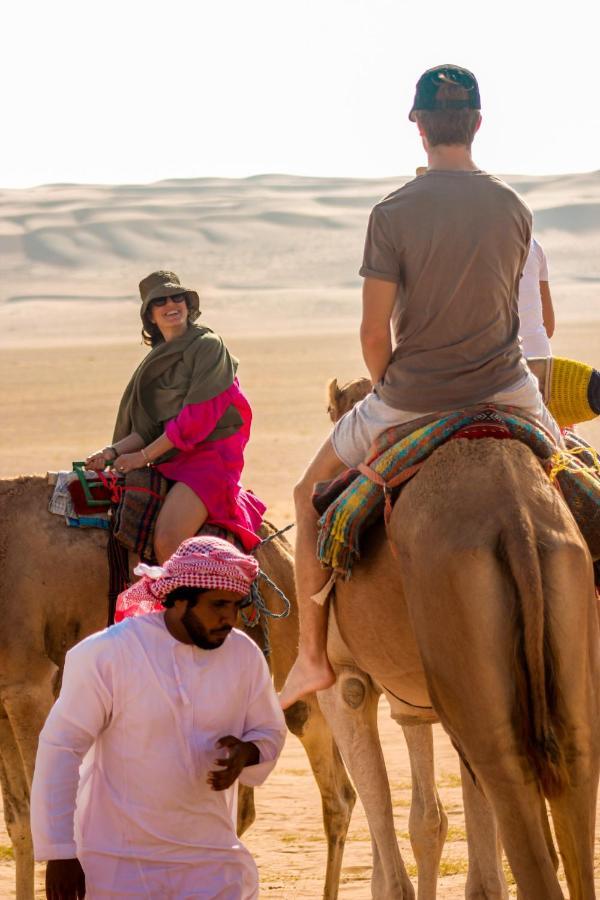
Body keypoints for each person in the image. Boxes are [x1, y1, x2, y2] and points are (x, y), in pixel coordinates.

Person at [279, 64, 562, 710]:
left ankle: (314, 657)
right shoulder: (515, 210)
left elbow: (374, 334)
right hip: (510, 391)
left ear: (419, 128)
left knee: (305, 494)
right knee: (575, 475)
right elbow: (528, 322)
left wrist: (389, 392)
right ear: (478, 125)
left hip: (414, 397)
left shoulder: (394, 214)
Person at [31, 536, 286, 900]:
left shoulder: (243, 655)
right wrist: (59, 852)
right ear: (179, 599)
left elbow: (270, 731)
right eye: (218, 606)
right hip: (116, 864)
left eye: (235, 606)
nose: (230, 618)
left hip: (210, 861)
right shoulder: (108, 654)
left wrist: (250, 752)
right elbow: (61, 748)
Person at [85, 270, 265, 562]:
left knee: (169, 541)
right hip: (170, 454)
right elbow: (148, 429)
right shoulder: (155, 362)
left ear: (187, 304)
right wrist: (110, 453)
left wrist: (142, 457)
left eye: (177, 297)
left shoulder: (208, 346)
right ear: (150, 317)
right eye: (160, 301)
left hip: (211, 457)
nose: (171, 304)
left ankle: (201, 607)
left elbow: (196, 420)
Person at [518, 237, 555, 357]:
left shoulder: (481, 245)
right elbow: (548, 327)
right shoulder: (535, 246)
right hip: (541, 357)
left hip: (502, 361)